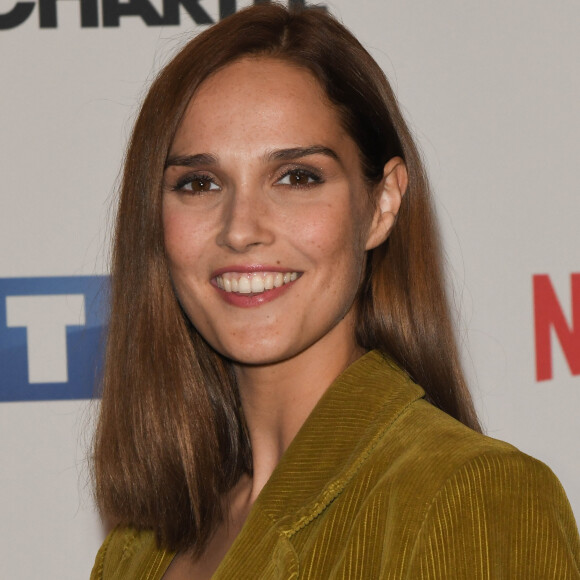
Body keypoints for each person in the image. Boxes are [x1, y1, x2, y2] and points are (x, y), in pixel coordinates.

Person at [90, 4, 580, 579]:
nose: (241, 228)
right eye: (200, 183)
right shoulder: (136, 550)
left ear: (382, 204)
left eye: (297, 177)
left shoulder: (469, 494)